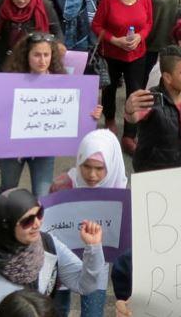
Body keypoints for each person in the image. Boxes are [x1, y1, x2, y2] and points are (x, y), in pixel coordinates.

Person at [0, 189, 105, 317]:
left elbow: (86, 285)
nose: (37, 224)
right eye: (27, 221)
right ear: (6, 225)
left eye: (39, 214)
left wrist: (94, 247)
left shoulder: (49, 245)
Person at [0, 33, 101, 197]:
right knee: (8, 189)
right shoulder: (10, 82)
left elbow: (76, 115)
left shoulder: (63, 83)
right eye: (37, 55)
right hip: (13, 151)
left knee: (43, 195)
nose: (42, 60)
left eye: (46, 55)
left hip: (45, 150)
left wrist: (91, 115)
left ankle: (38, 223)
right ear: (26, 55)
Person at [49, 129, 125, 317]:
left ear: (112, 165)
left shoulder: (119, 192)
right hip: (62, 266)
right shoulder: (62, 186)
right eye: (86, 166)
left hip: (98, 264)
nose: (92, 175)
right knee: (57, 311)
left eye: (100, 168)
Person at [92, 0, 153, 148]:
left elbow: (149, 23)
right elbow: (96, 26)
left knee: (135, 91)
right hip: (111, 53)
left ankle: (130, 133)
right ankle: (109, 119)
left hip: (136, 54)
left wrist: (140, 37)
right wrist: (114, 40)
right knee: (109, 89)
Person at [129, 45, 181, 171]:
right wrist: (129, 109)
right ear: (167, 77)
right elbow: (133, 117)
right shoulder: (151, 98)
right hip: (153, 172)